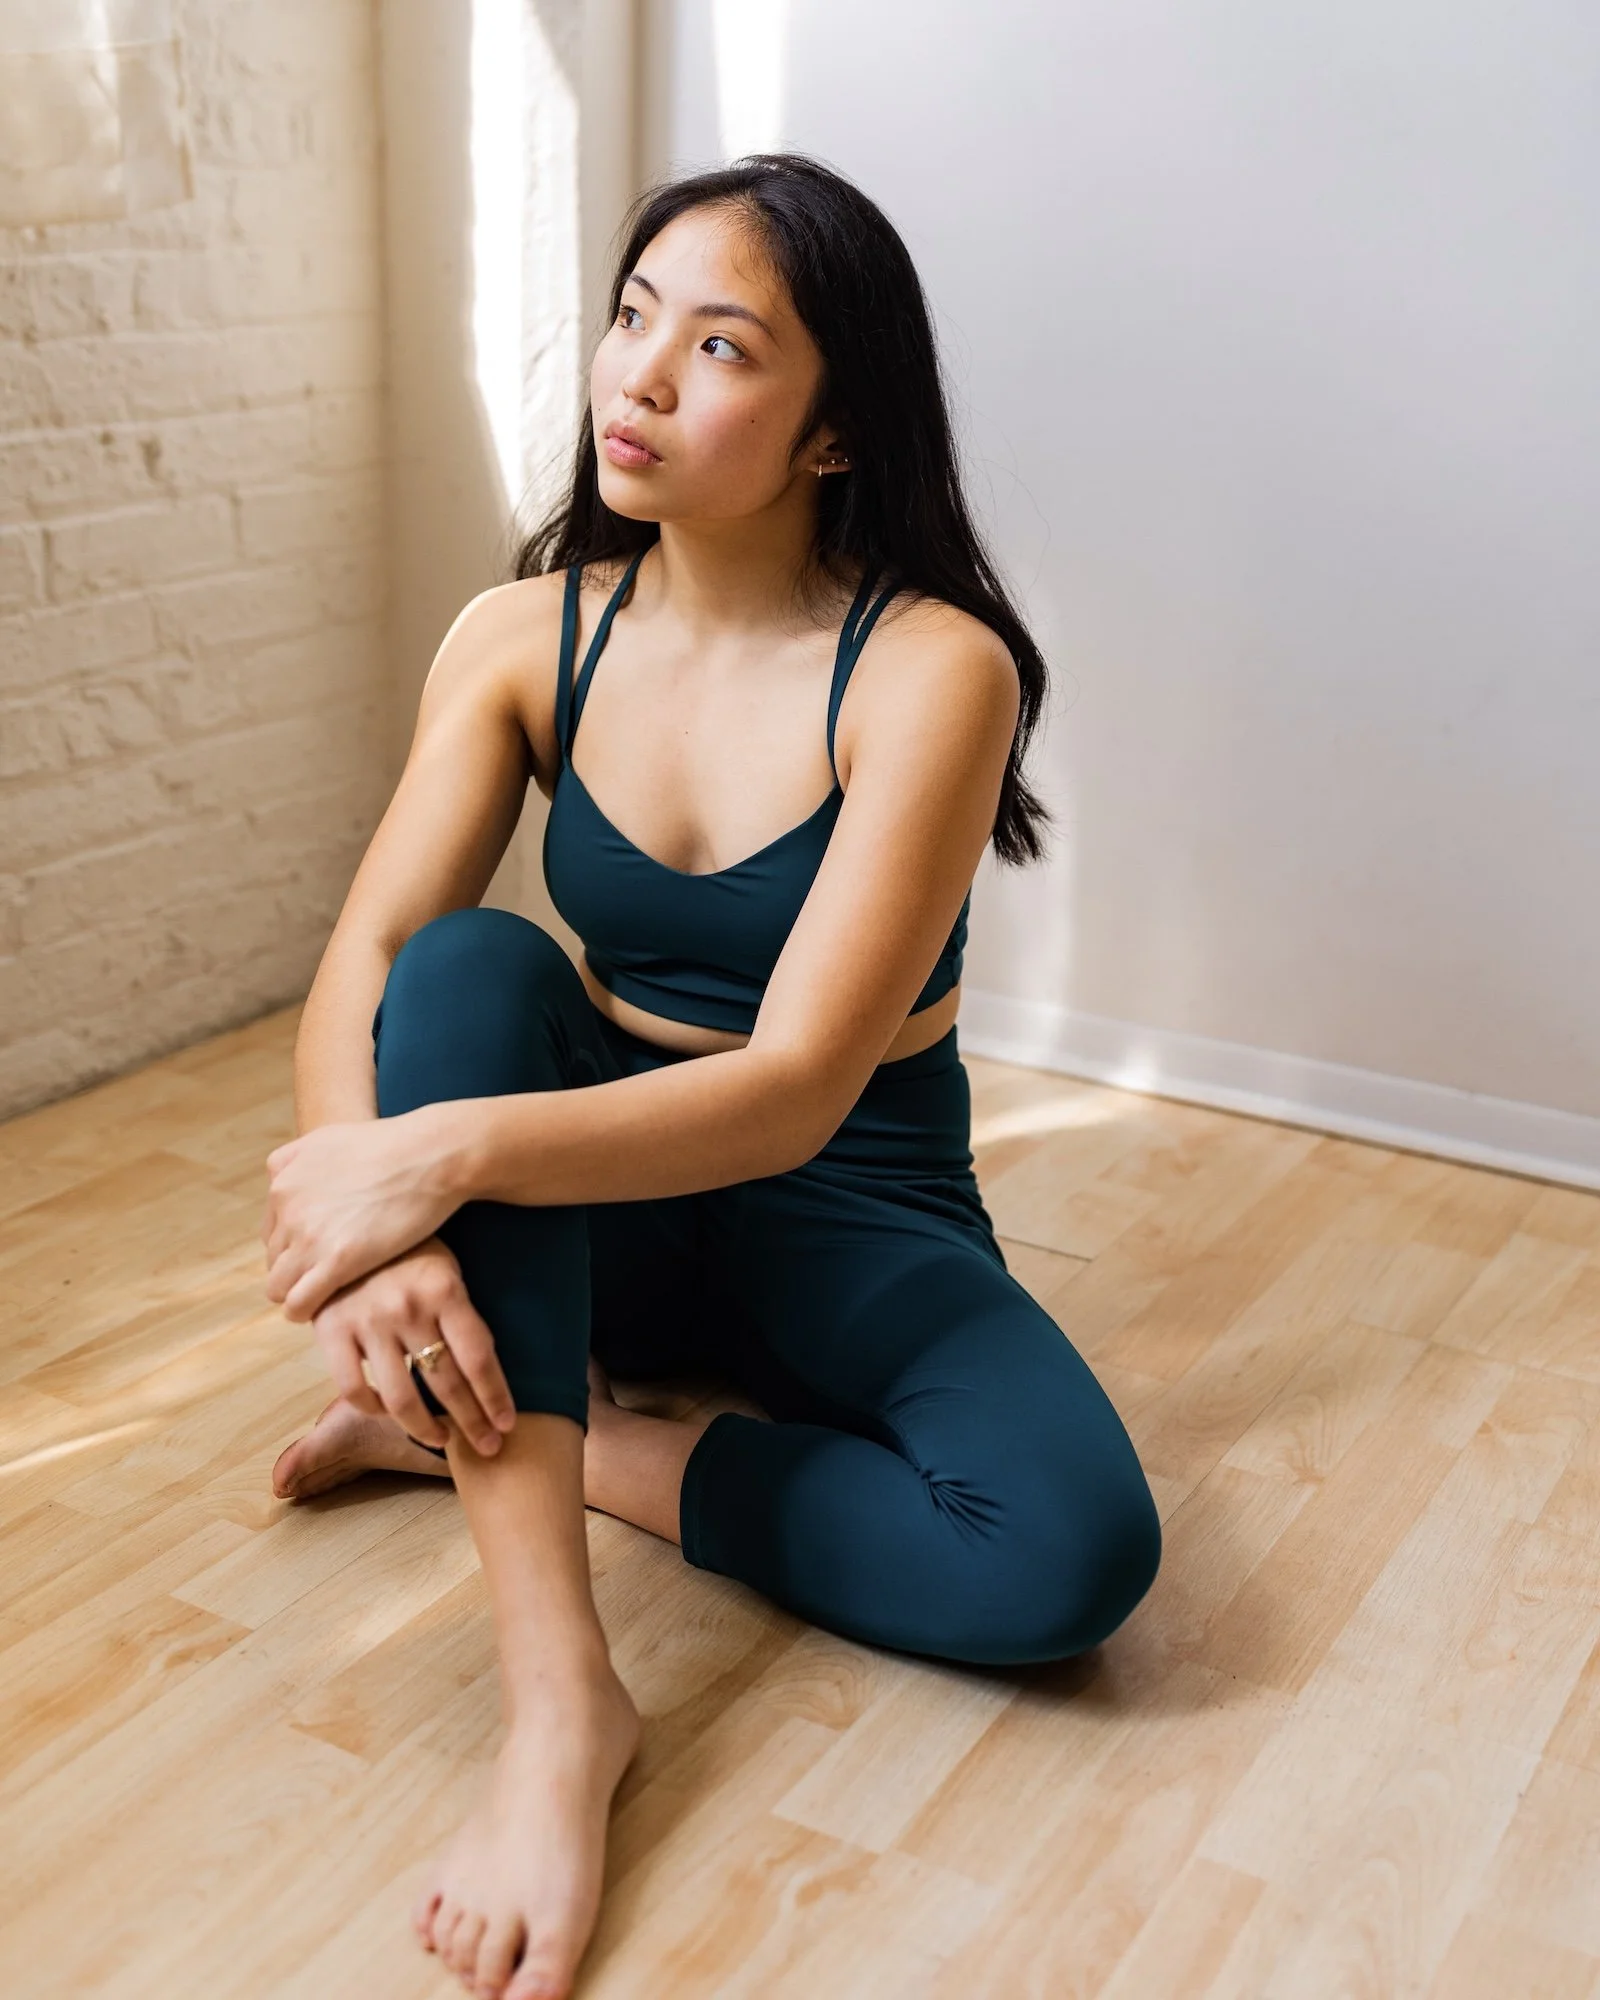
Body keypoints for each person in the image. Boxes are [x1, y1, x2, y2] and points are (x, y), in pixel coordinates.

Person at [259, 153, 1160, 2000]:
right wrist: (376, 1224)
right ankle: (560, 1705)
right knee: (466, 971)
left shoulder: (930, 668)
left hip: (853, 1204)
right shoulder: (527, 637)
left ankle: (540, 1441)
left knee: (1066, 1562)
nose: (639, 377)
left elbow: (801, 1088)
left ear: (837, 431)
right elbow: (357, 971)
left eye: (723, 343)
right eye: (631, 316)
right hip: (606, 1194)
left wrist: (433, 1173)